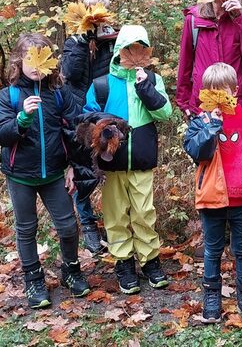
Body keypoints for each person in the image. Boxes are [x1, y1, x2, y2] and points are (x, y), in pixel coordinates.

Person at [0, 33, 90, 309]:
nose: (36, 66)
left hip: (55, 174)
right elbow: (1, 134)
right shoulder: (9, 95)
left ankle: (71, 270)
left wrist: (74, 166)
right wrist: (21, 118)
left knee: (68, 225)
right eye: (29, 59)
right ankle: (33, 278)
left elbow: (75, 132)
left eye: (42, 59)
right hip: (20, 174)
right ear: (18, 61)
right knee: (26, 228)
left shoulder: (58, 93)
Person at [183, 63, 242, 324]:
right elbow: (196, 152)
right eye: (211, 91)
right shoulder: (200, 121)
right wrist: (211, 126)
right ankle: (212, 294)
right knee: (213, 249)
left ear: (234, 91)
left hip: (241, 199)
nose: (217, 96)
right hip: (212, 199)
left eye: (222, 90)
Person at [83, 24, 173, 294]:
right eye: (129, 48)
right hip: (113, 162)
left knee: (144, 212)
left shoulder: (153, 80)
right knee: (115, 214)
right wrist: (104, 127)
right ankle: (123, 261)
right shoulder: (102, 84)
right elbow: (88, 115)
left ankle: (149, 260)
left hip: (142, 159)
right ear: (119, 52)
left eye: (141, 48)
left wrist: (146, 88)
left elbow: (165, 113)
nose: (135, 53)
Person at [61, 0, 118, 253]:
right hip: (78, 114)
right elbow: (70, 73)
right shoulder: (73, 42)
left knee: (110, 167)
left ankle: (115, 223)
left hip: (104, 111)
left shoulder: (113, 40)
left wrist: (108, 41)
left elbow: (116, 72)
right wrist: (84, 40)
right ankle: (88, 225)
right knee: (83, 171)